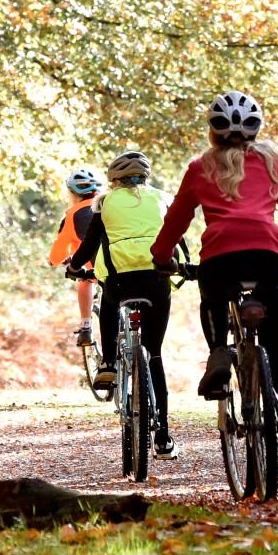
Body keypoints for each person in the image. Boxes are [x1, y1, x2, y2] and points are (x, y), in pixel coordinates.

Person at [153, 91, 278, 474]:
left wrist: (161, 257)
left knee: (212, 301)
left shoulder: (200, 167)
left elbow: (177, 219)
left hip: (219, 258)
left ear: (213, 131)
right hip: (269, 257)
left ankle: (219, 352)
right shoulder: (274, 164)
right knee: (276, 349)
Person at [64, 151, 177, 456]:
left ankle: (110, 363)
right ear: (145, 177)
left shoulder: (104, 201)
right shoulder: (161, 199)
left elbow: (90, 242)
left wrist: (74, 267)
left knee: (111, 301)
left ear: (114, 180)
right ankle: (164, 438)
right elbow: (175, 237)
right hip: (156, 280)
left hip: (119, 281)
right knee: (154, 355)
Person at [51, 165, 105, 342]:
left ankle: (86, 326)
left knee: (84, 279)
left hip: (96, 270)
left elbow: (58, 253)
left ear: (73, 193)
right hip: (125, 263)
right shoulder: (111, 204)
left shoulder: (72, 214)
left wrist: (55, 261)